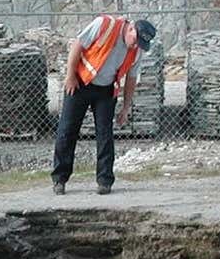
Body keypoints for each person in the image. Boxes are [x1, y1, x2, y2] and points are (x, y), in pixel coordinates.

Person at [51, 15, 156, 195]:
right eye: (135, 40)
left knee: (105, 135)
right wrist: (70, 76)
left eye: (140, 44)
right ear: (131, 28)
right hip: (80, 83)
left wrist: (126, 107)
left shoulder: (136, 51)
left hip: (106, 91)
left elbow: (131, 78)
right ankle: (60, 179)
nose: (136, 45)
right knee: (67, 131)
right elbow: (78, 45)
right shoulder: (104, 25)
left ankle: (104, 180)